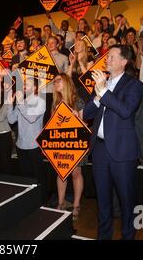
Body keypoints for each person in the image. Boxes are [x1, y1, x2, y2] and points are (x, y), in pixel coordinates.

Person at [83, 44, 143, 240]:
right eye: (107, 56)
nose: (106, 59)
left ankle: (128, 236)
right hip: (100, 149)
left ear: (124, 62)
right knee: (103, 199)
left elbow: (126, 110)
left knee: (127, 200)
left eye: (111, 56)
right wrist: (98, 95)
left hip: (122, 151)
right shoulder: (104, 83)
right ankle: (104, 236)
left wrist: (104, 92)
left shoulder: (133, 84)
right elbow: (88, 112)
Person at [51, 73, 85, 220]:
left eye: (58, 80)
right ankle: (61, 203)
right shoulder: (55, 102)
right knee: (61, 174)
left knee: (75, 174)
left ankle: (76, 205)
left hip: (76, 144)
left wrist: (76, 117)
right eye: (54, 81)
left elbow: (84, 127)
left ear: (66, 82)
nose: (56, 83)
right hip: (61, 144)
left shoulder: (77, 101)